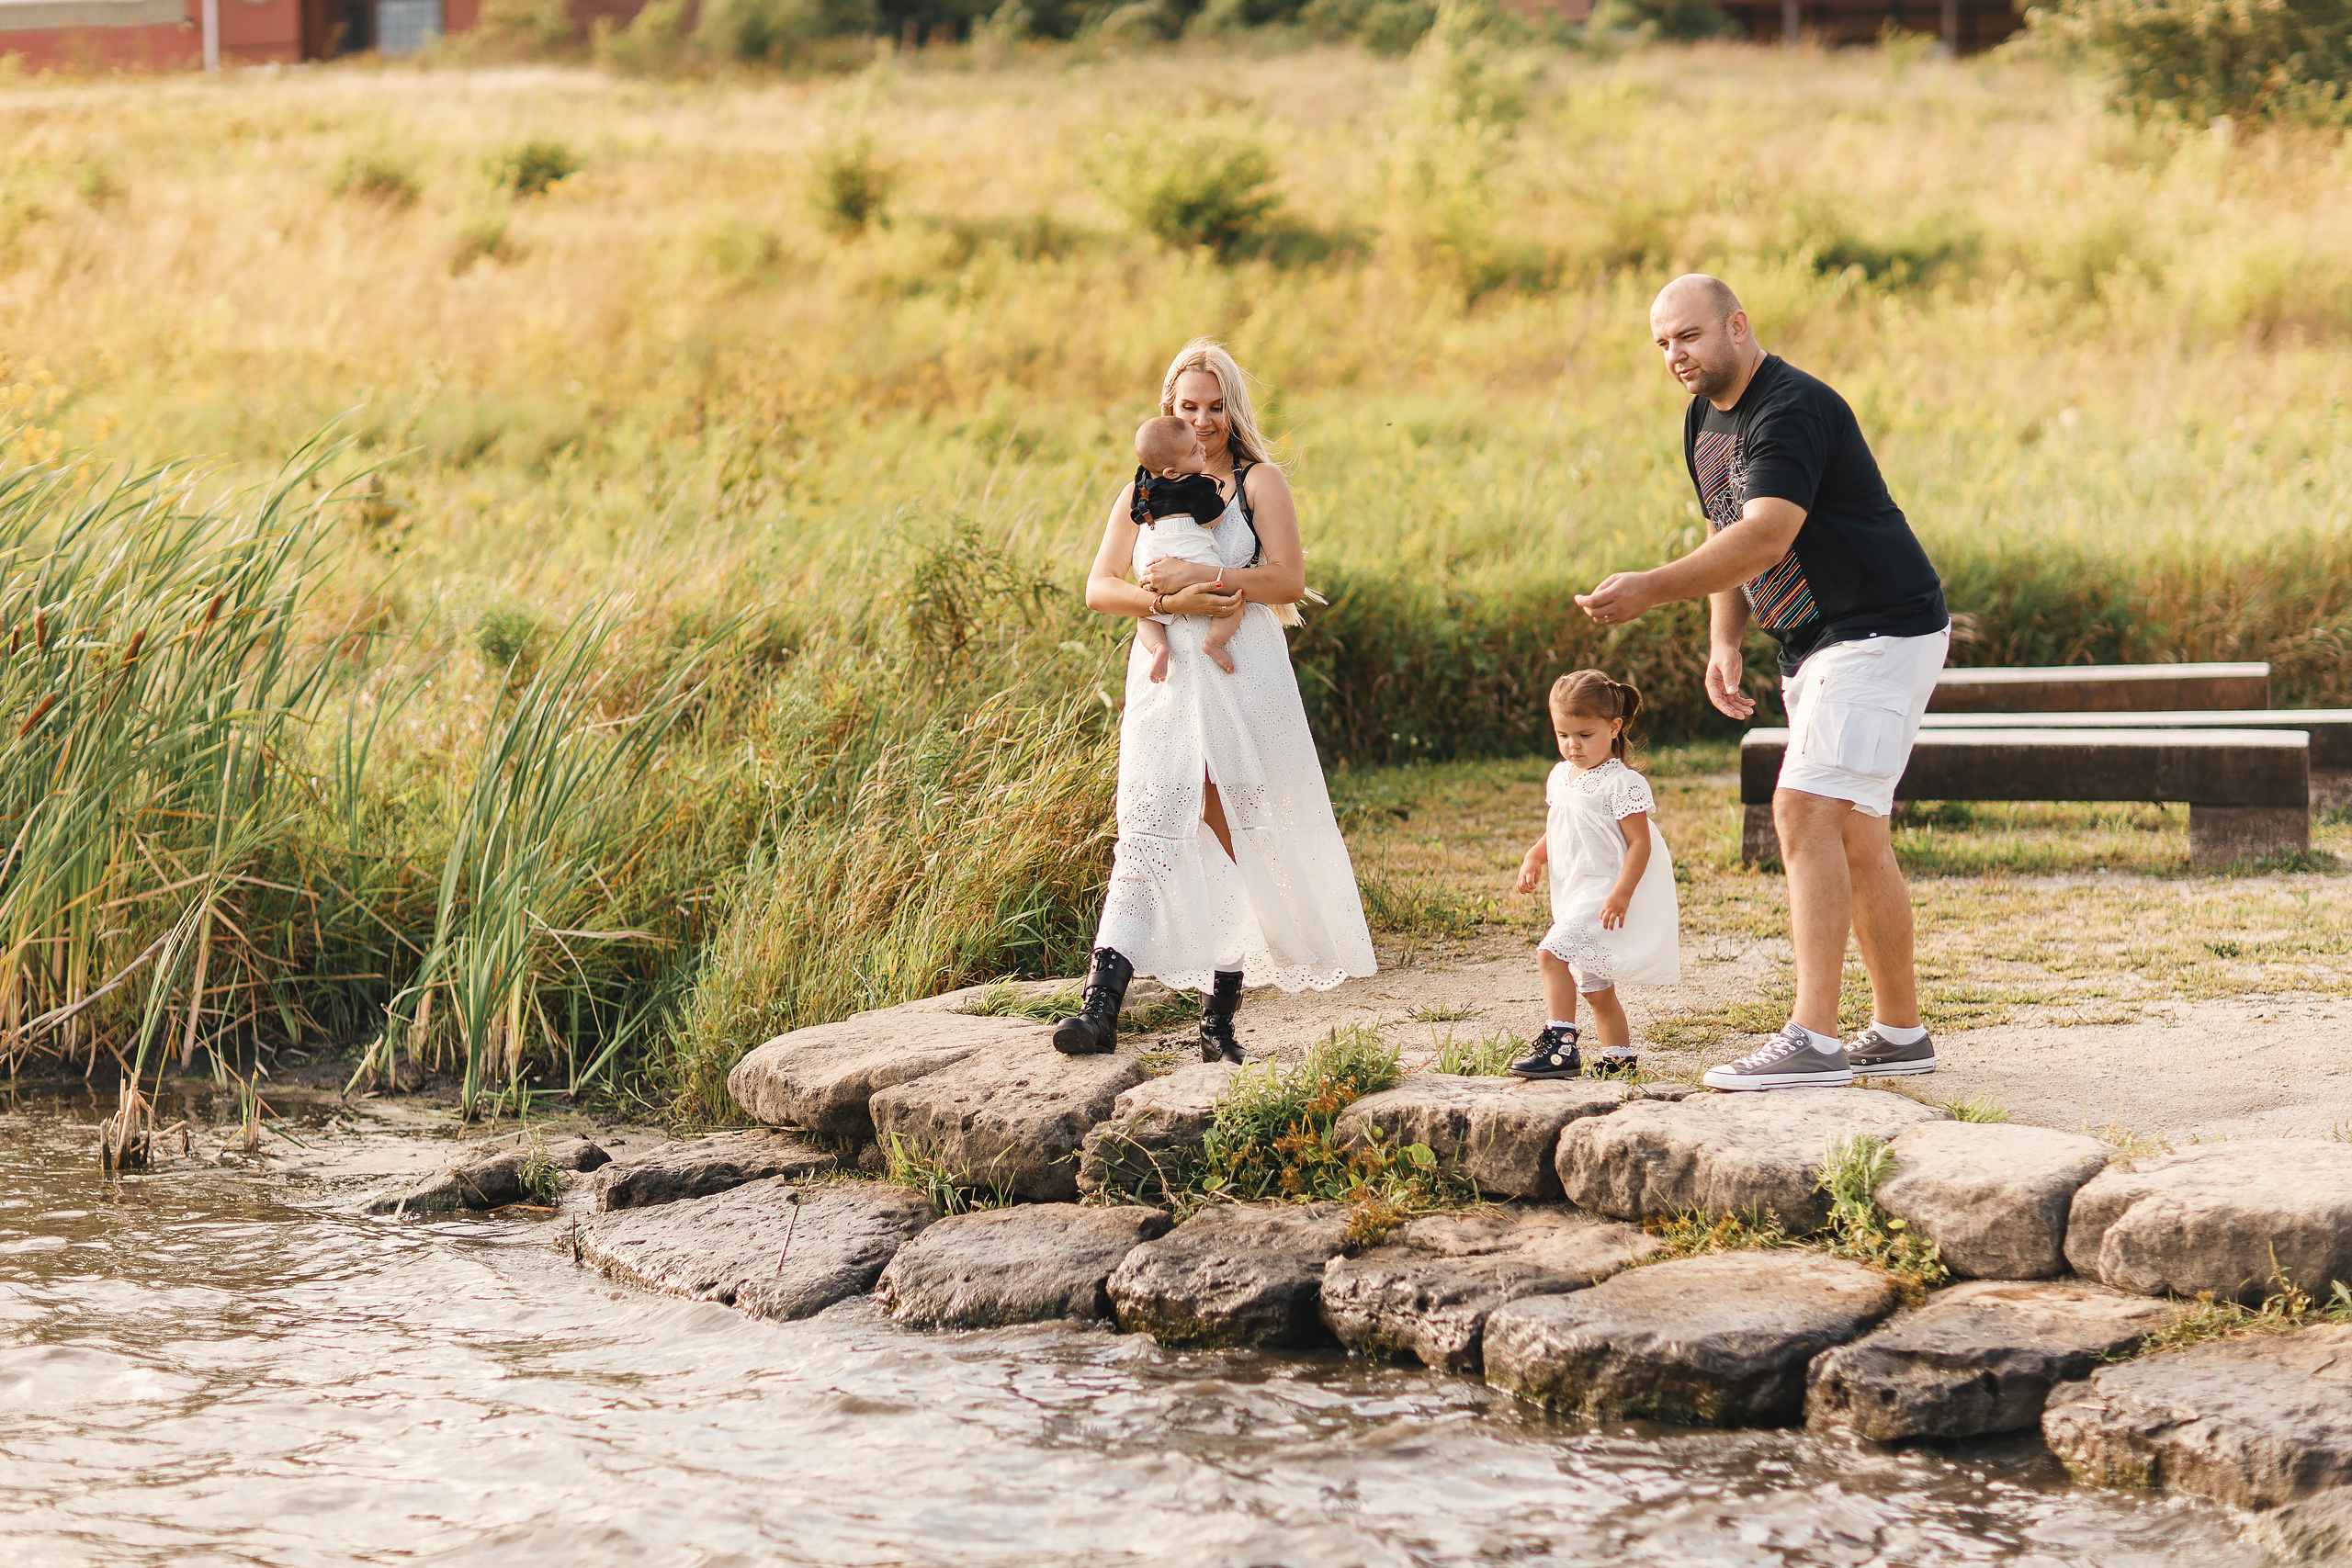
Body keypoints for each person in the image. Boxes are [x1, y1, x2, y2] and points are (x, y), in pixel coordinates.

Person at [1575, 275, 1951, 1091]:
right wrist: (1725, 638)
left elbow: (1769, 534)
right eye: (1663, 343)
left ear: (1737, 326)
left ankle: (1813, 1038)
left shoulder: (1789, 408)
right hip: (1820, 642)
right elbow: (1727, 526)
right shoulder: (1703, 418)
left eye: (1689, 336)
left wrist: (1649, 588)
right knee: (1856, 834)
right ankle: (1900, 1032)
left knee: (1801, 809)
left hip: (1877, 630)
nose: (1675, 355)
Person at [1052, 340, 1376, 1064]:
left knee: (1228, 831)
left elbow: (1287, 579)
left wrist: (1212, 581)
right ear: (1168, 410)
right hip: (1166, 680)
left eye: (1215, 406)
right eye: (1187, 406)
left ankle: (1217, 1018)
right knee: (1145, 825)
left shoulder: (1260, 482)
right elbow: (1099, 586)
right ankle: (1098, 1008)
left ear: (1234, 408)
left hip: (1238, 675)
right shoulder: (1142, 490)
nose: (1202, 421)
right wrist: (1165, 601)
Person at [1510, 671, 1679, 1079]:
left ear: (1614, 727)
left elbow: (1640, 844)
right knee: (1596, 989)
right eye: (1563, 734)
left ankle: (1560, 1046)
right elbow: (1560, 828)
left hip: (1602, 893)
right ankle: (1619, 1061)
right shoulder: (1560, 776)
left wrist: (1622, 893)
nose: (1573, 745)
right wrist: (1534, 856)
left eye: (1585, 735)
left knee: (1550, 954)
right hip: (1573, 893)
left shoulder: (1622, 783)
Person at [1128, 414, 1240, 682]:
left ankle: (1158, 647)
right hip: (1190, 554)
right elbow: (1210, 519)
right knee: (1233, 599)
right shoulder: (1195, 483)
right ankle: (1215, 642)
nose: (1201, 447)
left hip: (1154, 559)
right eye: (1193, 451)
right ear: (1172, 472)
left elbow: (1137, 515)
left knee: (1146, 615)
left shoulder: (1142, 485)